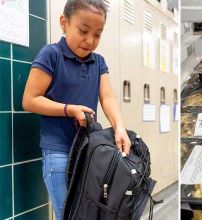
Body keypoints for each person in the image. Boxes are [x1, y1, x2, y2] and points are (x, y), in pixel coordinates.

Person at [22, 0, 131, 219]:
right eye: (83, 31)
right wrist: (68, 109)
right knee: (70, 215)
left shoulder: (98, 62)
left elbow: (107, 97)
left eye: (98, 34)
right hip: (59, 153)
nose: (90, 40)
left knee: (89, 214)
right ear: (64, 23)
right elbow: (30, 100)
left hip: (89, 153)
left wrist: (120, 128)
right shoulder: (51, 54)